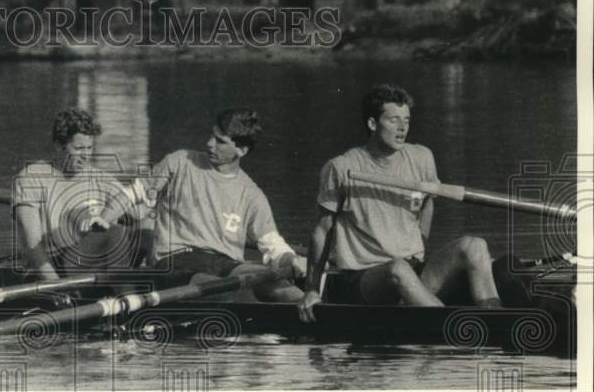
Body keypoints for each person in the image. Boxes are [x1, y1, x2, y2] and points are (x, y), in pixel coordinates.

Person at [298, 84, 502, 322]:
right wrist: (311, 290)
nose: (403, 128)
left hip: (413, 269)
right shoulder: (341, 168)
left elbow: (428, 203)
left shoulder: (422, 157)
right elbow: (323, 230)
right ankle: (451, 328)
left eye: (406, 120)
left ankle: (495, 320)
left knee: (474, 245)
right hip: (365, 280)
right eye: (394, 120)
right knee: (397, 268)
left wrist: (421, 244)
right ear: (373, 124)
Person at [91, 108, 305, 301]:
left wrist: (291, 260)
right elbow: (131, 194)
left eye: (220, 141)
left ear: (241, 151)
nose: (209, 144)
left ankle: (312, 311)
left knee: (279, 285)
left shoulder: (252, 194)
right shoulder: (180, 162)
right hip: (174, 262)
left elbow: (272, 243)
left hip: (224, 263)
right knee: (230, 292)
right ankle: (265, 334)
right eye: (212, 136)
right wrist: (105, 218)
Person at [12, 108, 144, 282]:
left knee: (149, 224)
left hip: (91, 266)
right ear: (59, 146)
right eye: (79, 148)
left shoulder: (102, 179)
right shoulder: (31, 178)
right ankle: (128, 298)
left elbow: (140, 213)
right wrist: (58, 287)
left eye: (90, 148)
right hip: (52, 270)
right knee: (115, 233)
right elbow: (32, 244)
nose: (86, 155)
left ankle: (147, 285)